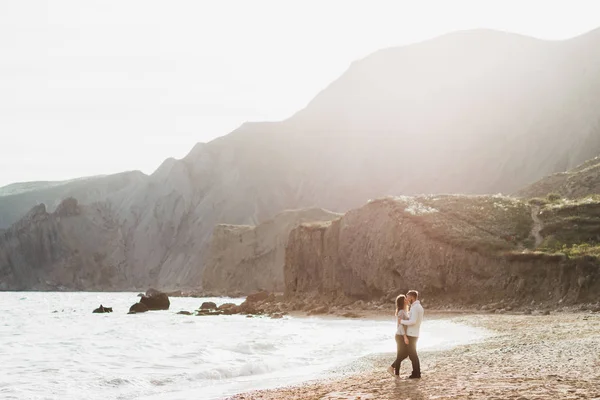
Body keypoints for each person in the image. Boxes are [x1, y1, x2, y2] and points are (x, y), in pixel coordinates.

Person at [400, 290, 424, 379]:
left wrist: (401, 321)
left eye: (407, 297)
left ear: (412, 298)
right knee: (412, 354)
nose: (406, 299)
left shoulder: (415, 308)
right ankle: (416, 373)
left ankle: (416, 374)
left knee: (413, 355)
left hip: (412, 333)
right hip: (415, 333)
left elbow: (413, 321)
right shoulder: (418, 307)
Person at [388, 294, 410, 377]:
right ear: (402, 302)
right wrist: (404, 336)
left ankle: (395, 372)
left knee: (402, 354)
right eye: (405, 299)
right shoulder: (401, 312)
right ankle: (392, 369)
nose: (406, 300)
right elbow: (400, 325)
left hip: (402, 335)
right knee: (402, 354)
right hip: (400, 336)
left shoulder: (404, 311)